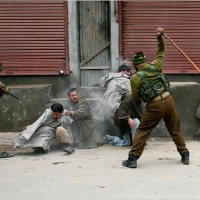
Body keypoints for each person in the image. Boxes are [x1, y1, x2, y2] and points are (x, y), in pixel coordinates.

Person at [122, 27, 190, 168]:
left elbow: (135, 97)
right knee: (175, 129)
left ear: (135, 65)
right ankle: (185, 154)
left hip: (155, 105)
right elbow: (161, 51)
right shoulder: (156, 65)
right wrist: (159, 37)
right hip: (169, 99)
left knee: (142, 130)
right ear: (145, 61)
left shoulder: (135, 77)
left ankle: (132, 159)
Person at [93, 64, 131, 137]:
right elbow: (130, 94)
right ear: (122, 71)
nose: (129, 73)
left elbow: (101, 82)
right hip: (115, 105)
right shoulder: (126, 80)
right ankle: (122, 137)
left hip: (103, 104)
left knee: (101, 120)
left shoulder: (109, 77)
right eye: (127, 71)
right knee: (122, 120)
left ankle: (101, 137)